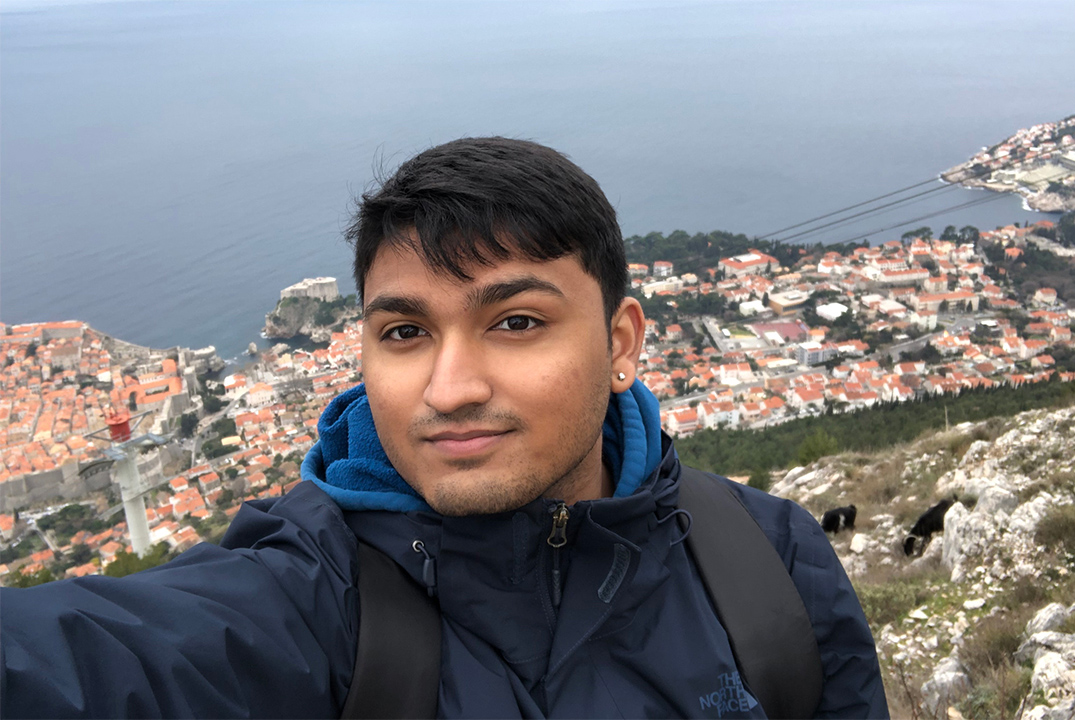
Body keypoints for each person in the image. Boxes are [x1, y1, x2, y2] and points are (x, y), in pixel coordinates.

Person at [1, 137, 888, 718]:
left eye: (515, 322)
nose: (450, 387)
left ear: (621, 343)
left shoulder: (769, 564)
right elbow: (86, 662)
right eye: (404, 333)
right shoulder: (308, 601)